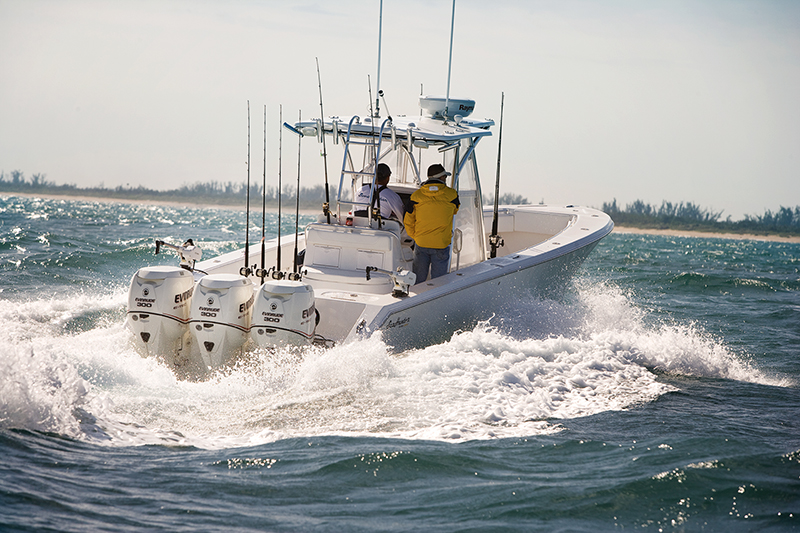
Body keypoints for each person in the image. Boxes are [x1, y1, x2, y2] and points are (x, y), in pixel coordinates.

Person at [404, 163, 460, 282]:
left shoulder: (416, 196)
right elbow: (455, 210)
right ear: (441, 178)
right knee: (439, 282)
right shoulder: (452, 195)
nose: (445, 179)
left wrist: (416, 236)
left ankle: (417, 299)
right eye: (445, 177)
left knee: (418, 281)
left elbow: (407, 220)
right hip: (441, 244)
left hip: (421, 243)